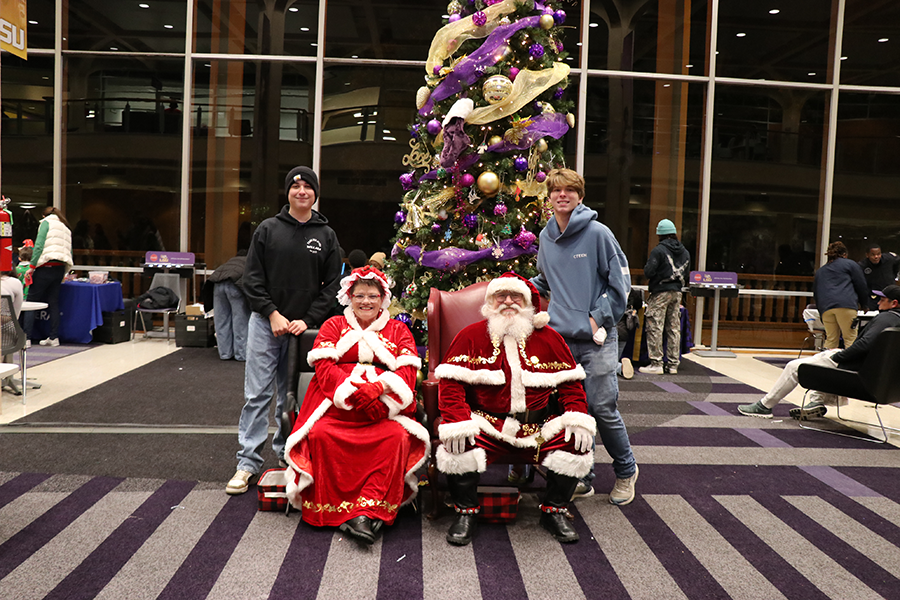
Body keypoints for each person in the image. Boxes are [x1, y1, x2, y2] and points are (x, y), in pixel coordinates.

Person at [436, 273, 596, 545]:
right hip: (487, 424)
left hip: (538, 429)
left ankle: (553, 510)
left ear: (527, 302)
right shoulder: (470, 336)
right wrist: (458, 421)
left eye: (516, 296)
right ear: (490, 302)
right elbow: (451, 387)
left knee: (576, 441)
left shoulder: (551, 339)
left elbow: (571, 386)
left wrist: (577, 417)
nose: (508, 301)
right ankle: (466, 512)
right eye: (501, 296)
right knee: (458, 442)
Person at [284, 266, 428, 545]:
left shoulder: (400, 330)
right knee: (320, 435)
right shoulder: (333, 326)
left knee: (396, 437)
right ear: (349, 296)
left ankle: (366, 510)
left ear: (383, 298)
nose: (366, 302)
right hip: (335, 406)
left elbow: (408, 374)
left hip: (384, 407)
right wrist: (352, 394)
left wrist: (381, 394)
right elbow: (324, 370)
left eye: (372, 296)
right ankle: (359, 516)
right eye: (359, 295)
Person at [227, 166, 343, 495]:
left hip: (303, 330)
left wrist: (308, 320)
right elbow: (252, 279)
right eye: (296, 186)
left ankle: (285, 455)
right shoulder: (268, 230)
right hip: (266, 324)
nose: (302, 191)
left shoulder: (326, 235)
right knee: (257, 395)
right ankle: (247, 463)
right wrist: (272, 313)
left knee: (291, 398)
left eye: (308, 187)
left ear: (315, 194)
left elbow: (334, 285)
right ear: (288, 192)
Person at [530, 168, 638, 506]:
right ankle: (583, 477)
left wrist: (596, 319)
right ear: (548, 197)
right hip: (561, 339)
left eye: (569, 190)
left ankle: (626, 470)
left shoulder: (598, 233)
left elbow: (621, 284)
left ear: (580, 195)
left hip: (597, 339)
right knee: (573, 411)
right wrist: (516, 290)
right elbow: (545, 281)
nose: (562, 195)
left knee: (602, 407)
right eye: (556, 190)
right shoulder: (546, 237)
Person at [738, 284, 900, 419]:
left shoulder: (886, 318)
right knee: (822, 359)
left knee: (794, 366)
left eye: (882, 300)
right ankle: (816, 401)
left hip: (854, 370)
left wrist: (840, 355)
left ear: (894, 303)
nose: (878, 303)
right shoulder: (896, 322)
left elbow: (865, 344)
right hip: (877, 378)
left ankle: (765, 406)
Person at [639, 219, 690, 375]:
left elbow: (649, 272)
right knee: (673, 327)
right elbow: (686, 274)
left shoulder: (658, 251)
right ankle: (673, 364)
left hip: (660, 292)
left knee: (655, 326)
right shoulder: (685, 252)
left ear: (659, 234)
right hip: (677, 292)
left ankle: (656, 363)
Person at [24, 207, 73, 347]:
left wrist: (32, 266)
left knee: (31, 301)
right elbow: (69, 251)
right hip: (59, 268)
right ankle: (54, 337)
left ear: (43, 215)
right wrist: (66, 271)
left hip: (45, 266)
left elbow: (39, 246)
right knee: (53, 302)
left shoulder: (46, 223)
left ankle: (26, 338)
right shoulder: (65, 227)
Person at [813, 241, 868, 349]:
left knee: (831, 339)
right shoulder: (851, 264)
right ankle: (849, 365)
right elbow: (861, 285)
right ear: (845, 255)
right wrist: (864, 304)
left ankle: (826, 364)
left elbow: (816, 292)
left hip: (826, 307)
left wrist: (821, 311)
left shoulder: (821, 271)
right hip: (846, 305)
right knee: (850, 339)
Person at [208, 250, 250, 361]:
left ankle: (225, 353)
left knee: (221, 320)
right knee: (240, 320)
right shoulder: (249, 261)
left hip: (217, 285)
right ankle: (241, 355)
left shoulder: (230, 262)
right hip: (235, 285)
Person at [857, 243, 899, 310]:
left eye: (878, 254)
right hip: (872, 296)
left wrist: (893, 275)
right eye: (873, 255)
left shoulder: (889, 259)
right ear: (867, 255)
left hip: (888, 295)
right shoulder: (862, 266)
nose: (876, 257)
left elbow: (897, 262)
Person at [615, 288, 643, 379]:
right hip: (624, 332)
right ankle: (621, 366)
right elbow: (639, 303)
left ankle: (620, 367)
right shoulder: (629, 290)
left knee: (603, 363)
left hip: (611, 332)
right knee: (612, 359)